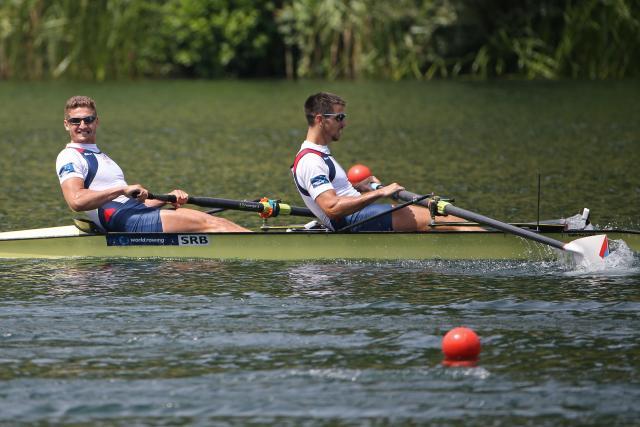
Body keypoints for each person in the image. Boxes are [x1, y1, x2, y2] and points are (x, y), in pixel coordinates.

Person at [291, 92, 481, 232]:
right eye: (339, 118)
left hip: (359, 215)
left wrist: (359, 188)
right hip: (353, 221)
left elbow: (334, 196)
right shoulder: (311, 161)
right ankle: (494, 247)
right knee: (451, 221)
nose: (344, 124)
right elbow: (332, 208)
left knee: (444, 218)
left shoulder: (318, 153)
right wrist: (381, 192)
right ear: (320, 120)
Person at [56, 95, 249, 233]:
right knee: (213, 223)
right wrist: (121, 189)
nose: (83, 125)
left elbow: (127, 201)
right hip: (122, 220)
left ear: (96, 122)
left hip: (135, 213)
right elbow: (76, 201)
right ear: (66, 124)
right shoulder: (69, 156)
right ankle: (263, 247)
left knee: (210, 229)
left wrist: (166, 198)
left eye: (88, 119)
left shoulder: (101, 157)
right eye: (75, 121)